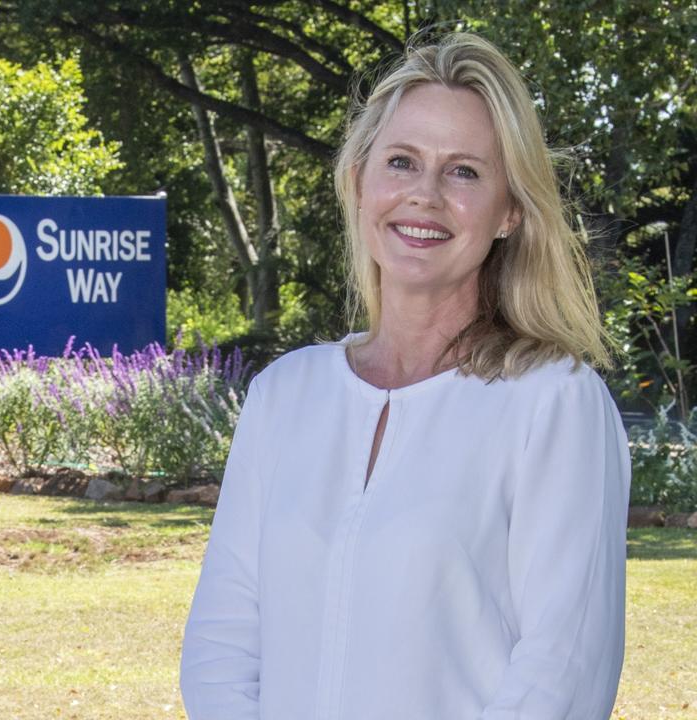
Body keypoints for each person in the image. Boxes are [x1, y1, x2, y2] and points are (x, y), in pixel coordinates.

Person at [180, 33, 629, 720]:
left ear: (510, 211)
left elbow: (561, 671)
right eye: (402, 162)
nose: (424, 195)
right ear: (360, 182)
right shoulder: (284, 396)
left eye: (464, 172)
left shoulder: (554, 402)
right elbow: (222, 646)